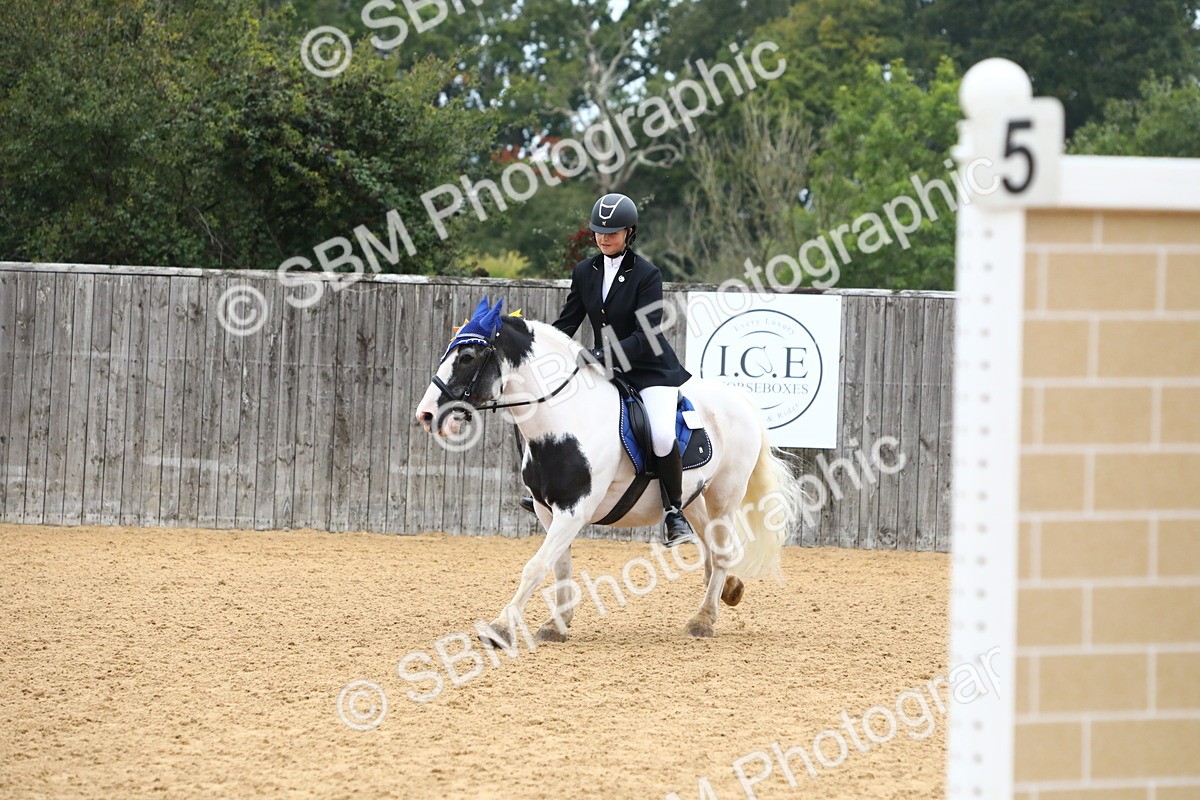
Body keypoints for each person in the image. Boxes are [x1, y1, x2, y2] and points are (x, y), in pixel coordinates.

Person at [520, 193, 695, 547]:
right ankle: (549, 491)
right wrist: (537, 350)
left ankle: (674, 511)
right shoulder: (585, 271)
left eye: (612, 232)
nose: (603, 238)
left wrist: (600, 354)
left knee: (661, 433)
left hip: (649, 369)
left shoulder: (648, 274)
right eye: (599, 231)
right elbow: (566, 323)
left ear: (629, 232)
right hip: (607, 370)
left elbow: (646, 336)